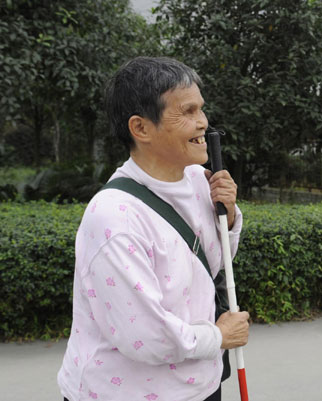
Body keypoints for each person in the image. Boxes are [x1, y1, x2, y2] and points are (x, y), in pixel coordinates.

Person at [57, 57, 250, 401]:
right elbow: (144, 337)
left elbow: (211, 266)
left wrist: (230, 216)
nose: (203, 123)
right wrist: (219, 337)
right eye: (187, 112)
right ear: (141, 128)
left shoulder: (196, 180)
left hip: (201, 386)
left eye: (201, 110)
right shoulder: (114, 218)